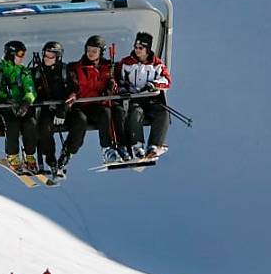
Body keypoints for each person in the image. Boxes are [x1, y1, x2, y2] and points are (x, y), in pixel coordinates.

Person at [62, 35, 122, 167]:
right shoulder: (75, 67)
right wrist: (72, 95)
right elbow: (73, 86)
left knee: (106, 113)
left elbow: (114, 87)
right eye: (88, 50)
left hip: (96, 105)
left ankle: (107, 149)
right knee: (80, 122)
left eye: (94, 51)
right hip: (80, 106)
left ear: (101, 52)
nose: (90, 53)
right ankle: (67, 153)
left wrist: (112, 87)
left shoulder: (108, 67)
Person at [117, 32, 172, 159]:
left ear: (147, 49)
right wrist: (123, 89)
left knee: (163, 112)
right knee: (136, 112)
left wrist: (154, 84)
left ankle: (154, 145)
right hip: (134, 99)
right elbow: (116, 79)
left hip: (150, 99)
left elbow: (167, 81)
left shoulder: (156, 64)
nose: (137, 50)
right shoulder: (126, 63)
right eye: (135, 47)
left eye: (140, 48)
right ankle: (137, 145)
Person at [0, 40, 38, 172]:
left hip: (20, 106)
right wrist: (0, 102)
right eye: (20, 54)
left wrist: (27, 101)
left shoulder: (24, 72)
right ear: (11, 54)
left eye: (24, 54)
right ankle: (12, 155)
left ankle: (30, 155)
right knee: (12, 124)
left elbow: (30, 89)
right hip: (4, 108)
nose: (23, 58)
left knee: (30, 123)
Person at [32, 41, 74, 175]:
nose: (47, 59)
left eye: (51, 56)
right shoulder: (36, 72)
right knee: (44, 126)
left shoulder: (64, 70)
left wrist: (64, 109)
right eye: (45, 55)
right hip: (45, 110)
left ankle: (67, 153)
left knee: (80, 121)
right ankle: (50, 159)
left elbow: (73, 91)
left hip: (64, 109)